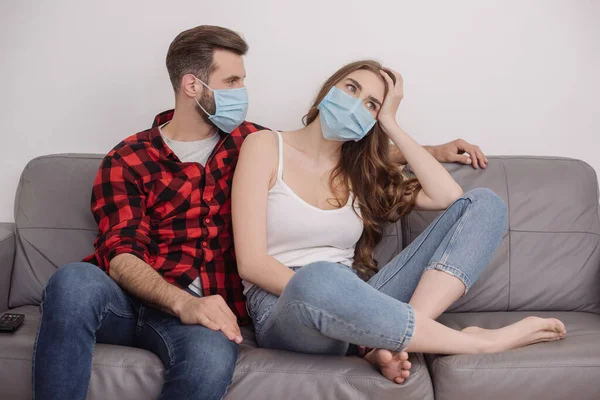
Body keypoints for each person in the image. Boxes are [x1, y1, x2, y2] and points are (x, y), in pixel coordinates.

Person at [32, 25, 496, 399]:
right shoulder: (129, 158)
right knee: (72, 280)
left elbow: (324, 152)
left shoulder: (247, 141)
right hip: (143, 298)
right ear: (193, 86)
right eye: (232, 82)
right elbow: (120, 254)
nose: (243, 92)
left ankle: (398, 332)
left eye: (242, 81)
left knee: (213, 360)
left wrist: (428, 146)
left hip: (216, 313)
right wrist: (185, 302)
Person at [232, 59, 567, 386]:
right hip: (284, 308)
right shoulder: (264, 145)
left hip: (360, 299)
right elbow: (251, 262)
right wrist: (337, 296)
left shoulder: (361, 170)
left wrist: (391, 122)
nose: (355, 105)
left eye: (371, 105)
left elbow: (448, 196)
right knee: (320, 277)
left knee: (485, 204)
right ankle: (480, 342)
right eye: (351, 88)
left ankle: (393, 340)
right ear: (328, 90)